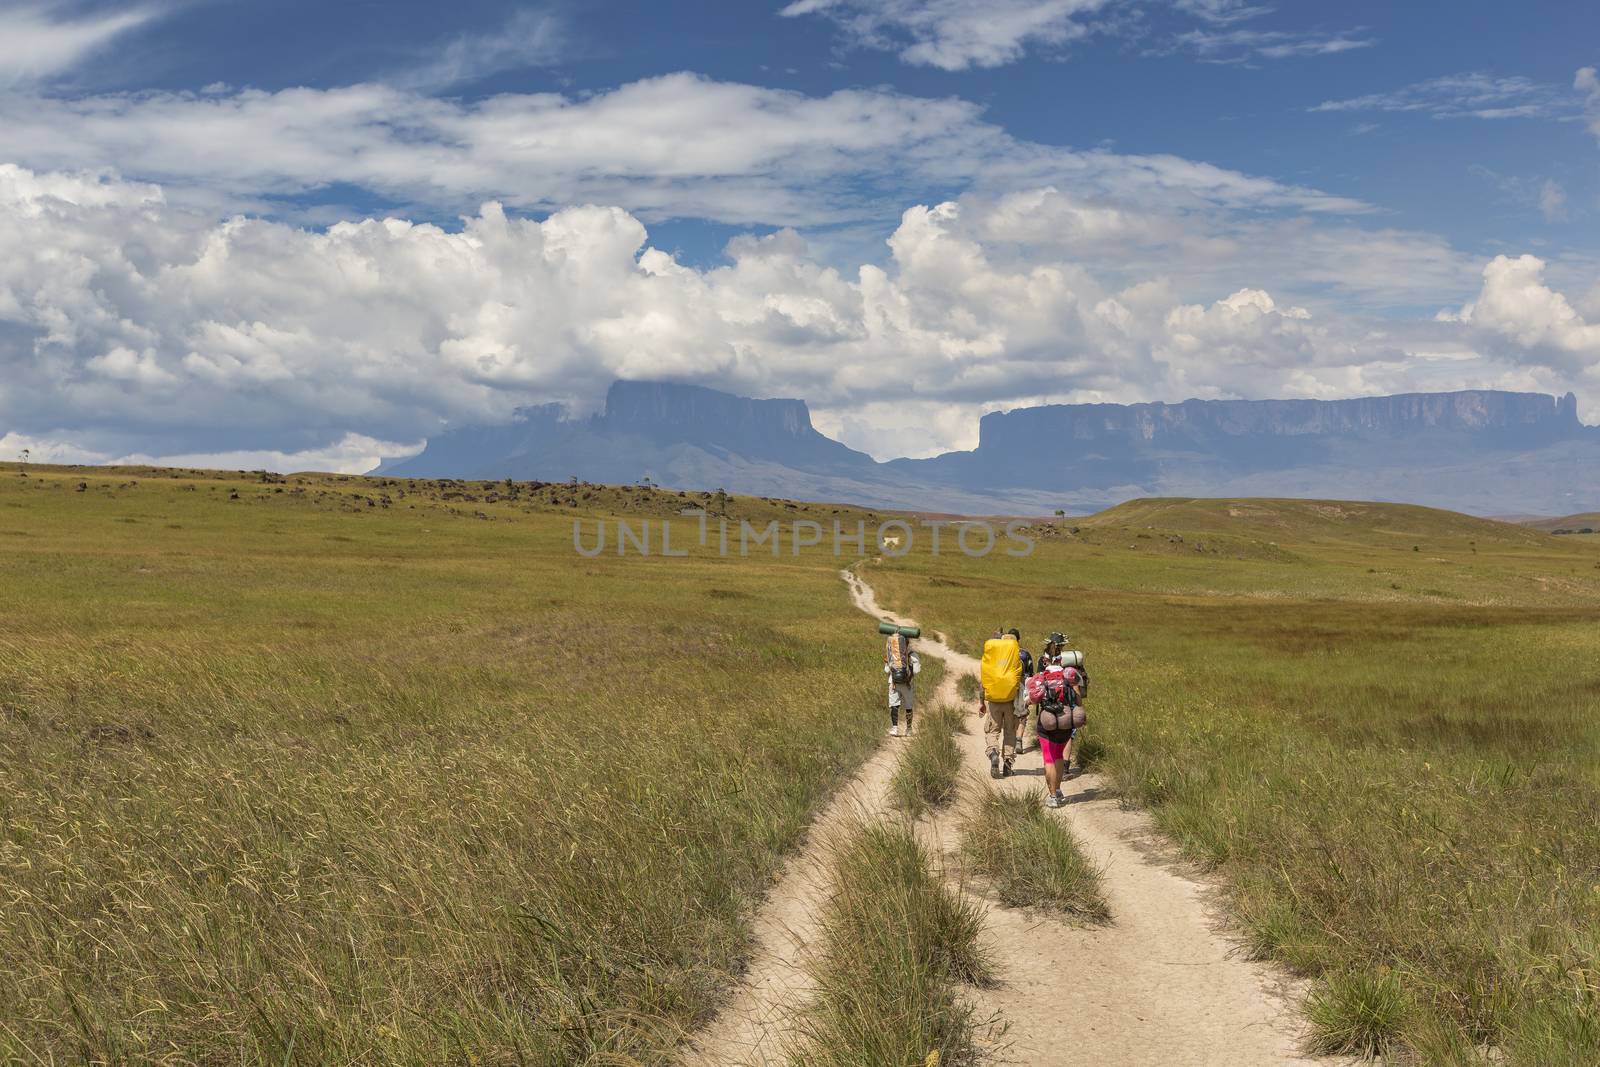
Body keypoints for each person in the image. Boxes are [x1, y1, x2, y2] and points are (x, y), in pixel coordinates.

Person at [978, 627, 1023, 778]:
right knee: (1010, 732)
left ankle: (993, 753)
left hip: (993, 700)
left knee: (992, 731)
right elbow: (1020, 678)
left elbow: (983, 680)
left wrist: (981, 702)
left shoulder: (991, 656)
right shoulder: (1015, 654)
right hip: (1010, 700)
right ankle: (1008, 765)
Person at [884, 628, 921, 736]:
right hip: (907, 684)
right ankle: (908, 730)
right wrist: (909, 676)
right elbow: (917, 670)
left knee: (894, 705)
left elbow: (886, 670)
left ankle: (894, 728)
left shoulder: (891, 653)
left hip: (893, 683)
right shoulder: (912, 653)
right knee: (908, 706)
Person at [1012, 627, 1035, 754]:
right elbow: (1031, 674)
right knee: (1023, 714)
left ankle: (1010, 740)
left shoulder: (1005, 653)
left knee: (1010, 713)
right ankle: (1019, 739)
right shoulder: (1025, 654)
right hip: (1022, 685)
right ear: (1019, 639)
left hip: (1008, 686)